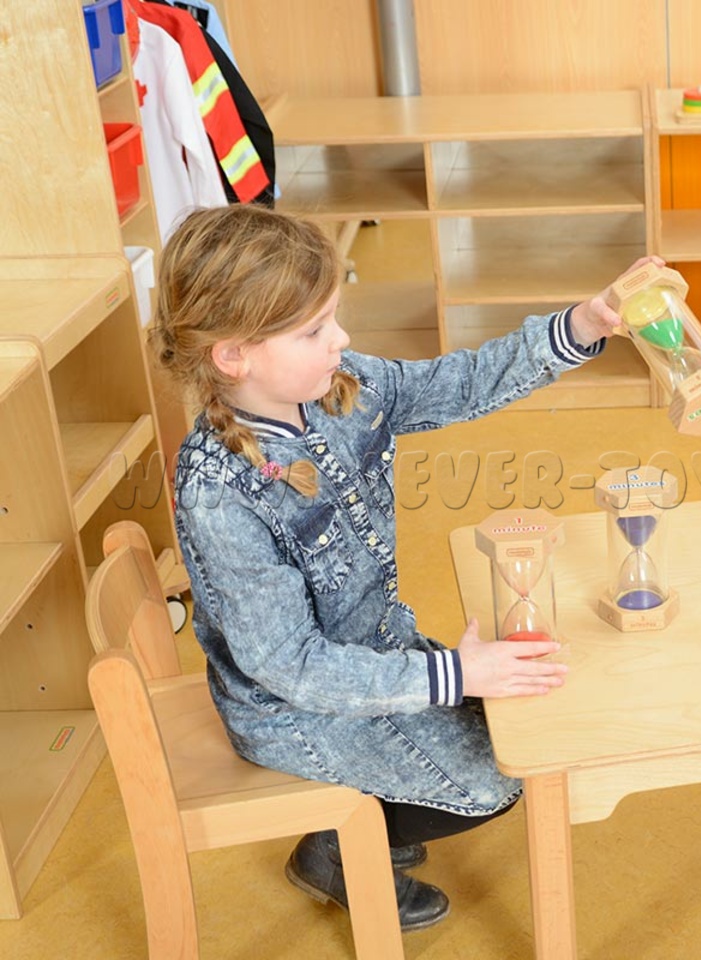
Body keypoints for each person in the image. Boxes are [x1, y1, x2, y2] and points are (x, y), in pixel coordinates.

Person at [150, 203, 655, 931]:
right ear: (234, 356)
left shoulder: (339, 385)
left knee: (519, 726)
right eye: (314, 330)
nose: (341, 339)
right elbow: (290, 666)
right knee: (497, 779)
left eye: (333, 318)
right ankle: (338, 848)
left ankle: (371, 818)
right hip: (292, 710)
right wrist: (454, 674)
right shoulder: (219, 493)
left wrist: (581, 325)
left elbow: (459, 383)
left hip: (377, 652)